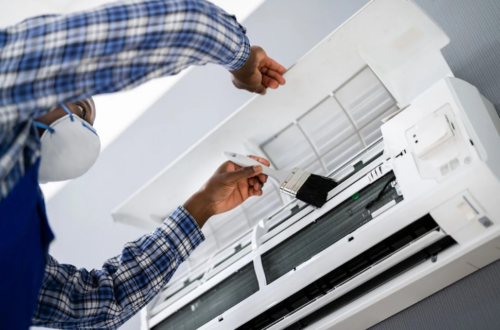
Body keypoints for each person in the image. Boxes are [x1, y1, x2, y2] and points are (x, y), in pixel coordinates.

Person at [0, 0, 286, 329]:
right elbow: (190, 25)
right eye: (81, 108)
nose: (82, 127)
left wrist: (205, 203)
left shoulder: (20, 248)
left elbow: (102, 305)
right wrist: (245, 62)